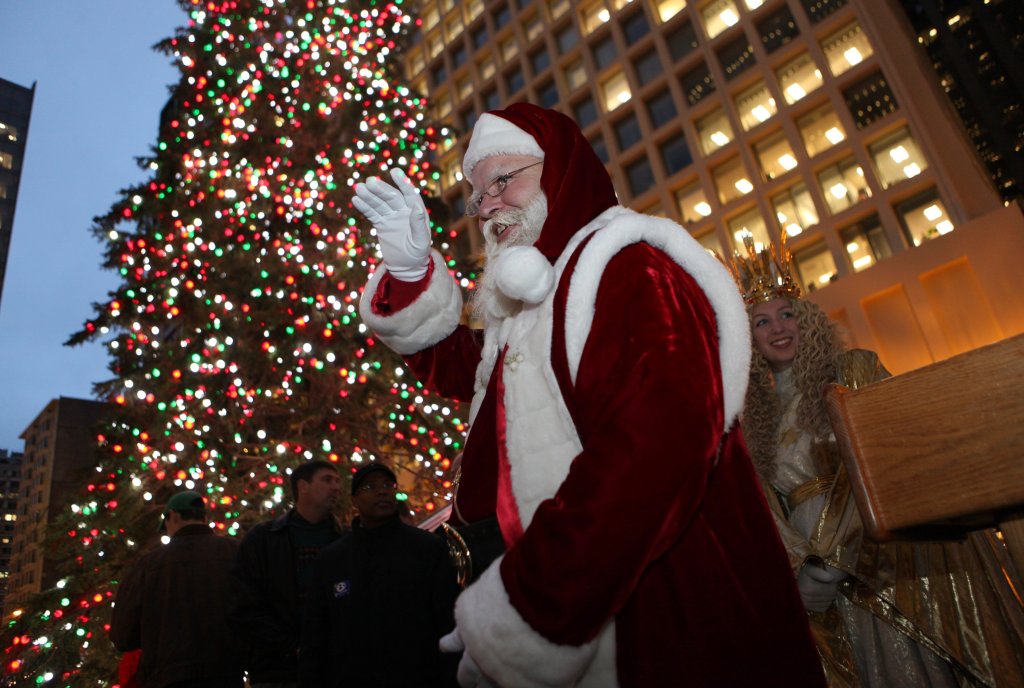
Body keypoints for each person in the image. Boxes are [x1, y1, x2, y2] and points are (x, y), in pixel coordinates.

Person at [352, 103, 824, 687]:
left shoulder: (631, 266)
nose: (489, 204)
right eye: (478, 197)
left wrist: (537, 600)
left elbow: (656, 449)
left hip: (656, 609)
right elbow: (461, 371)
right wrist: (410, 272)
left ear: (562, 170)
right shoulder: (528, 306)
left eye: (504, 179)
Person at [730, 234, 1024, 687]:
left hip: (881, 555)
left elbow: (892, 450)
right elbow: (763, 507)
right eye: (761, 322)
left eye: (787, 313)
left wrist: (837, 556)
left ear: (806, 319)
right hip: (817, 578)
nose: (778, 327)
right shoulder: (754, 422)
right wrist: (803, 571)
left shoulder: (855, 370)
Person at [299, 463, 460, 687]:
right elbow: (317, 634)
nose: (382, 491)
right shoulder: (333, 560)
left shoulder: (427, 548)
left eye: (387, 485)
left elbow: (446, 619)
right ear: (354, 500)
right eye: (370, 487)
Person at [109, 490, 244, 688]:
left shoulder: (148, 565)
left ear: (173, 516)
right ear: (204, 518)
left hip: (166, 678)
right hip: (225, 674)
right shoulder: (236, 552)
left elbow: (122, 636)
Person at [230, 460, 344, 688]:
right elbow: (245, 604)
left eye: (337, 481)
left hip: (336, 668)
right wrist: (290, 646)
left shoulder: (345, 540)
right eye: (327, 480)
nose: (336, 487)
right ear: (303, 486)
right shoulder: (264, 540)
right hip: (278, 670)